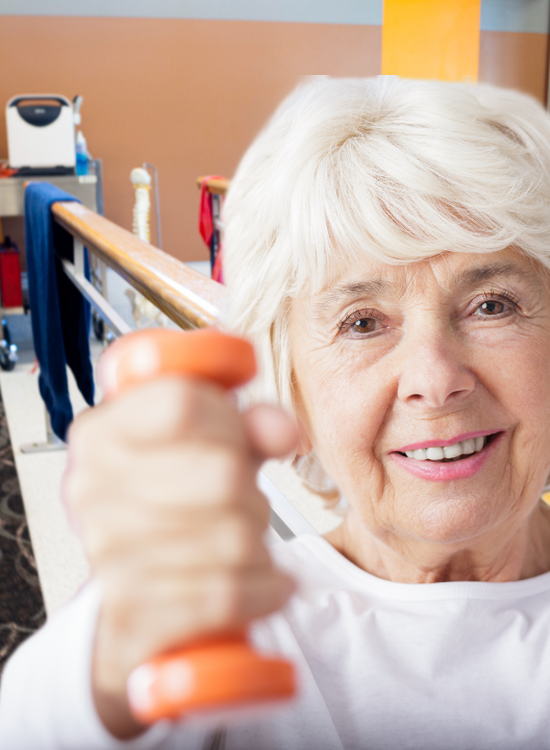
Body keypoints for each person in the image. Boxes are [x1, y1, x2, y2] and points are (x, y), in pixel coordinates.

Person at [4, 76, 550, 749]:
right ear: (291, 381)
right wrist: (114, 653)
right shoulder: (236, 628)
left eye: (492, 304)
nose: (435, 381)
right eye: (363, 322)